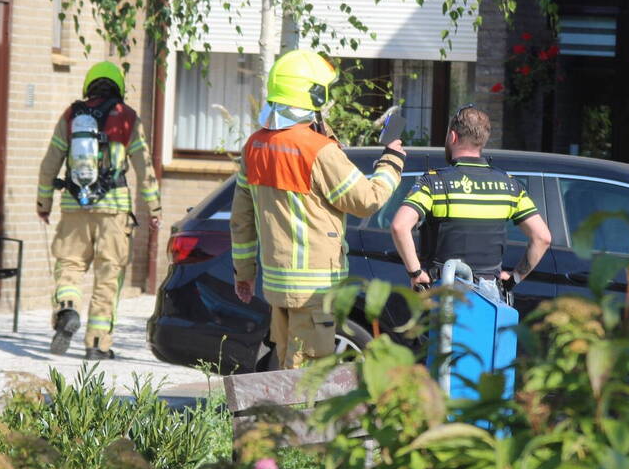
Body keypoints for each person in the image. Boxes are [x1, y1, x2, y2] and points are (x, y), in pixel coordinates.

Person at [230, 49, 406, 369]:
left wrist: (244, 274)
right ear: (313, 93)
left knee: (284, 366)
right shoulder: (318, 151)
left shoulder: (255, 145)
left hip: (277, 285)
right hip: (313, 289)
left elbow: (241, 220)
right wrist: (392, 161)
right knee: (305, 375)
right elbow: (367, 200)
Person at [37, 61, 161, 359]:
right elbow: (144, 168)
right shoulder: (127, 118)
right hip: (114, 209)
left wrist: (44, 203)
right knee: (108, 274)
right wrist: (154, 207)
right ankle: (96, 343)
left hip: (74, 205)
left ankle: (67, 307)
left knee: (70, 265)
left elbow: (49, 164)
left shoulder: (71, 115)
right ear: (118, 87)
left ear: (89, 85)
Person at [390, 105, 551, 299]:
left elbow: (399, 226)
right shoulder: (510, 186)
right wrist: (514, 278)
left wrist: (416, 273)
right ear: (483, 140)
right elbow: (542, 237)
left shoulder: (433, 183)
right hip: (490, 295)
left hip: (443, 292)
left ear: (453, 137)